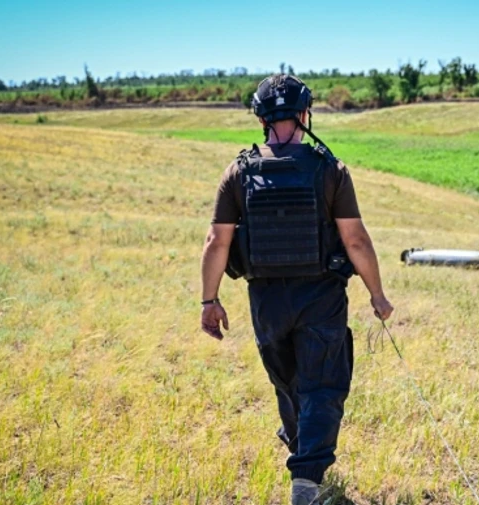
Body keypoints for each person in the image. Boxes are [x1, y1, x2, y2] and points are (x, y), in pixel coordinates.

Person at [199, 74, 393, 505]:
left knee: (288, 383)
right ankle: (306, 479)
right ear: (306, 114)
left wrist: (209, 301)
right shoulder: (330, 170)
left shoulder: (239, 171)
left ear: (261, 117)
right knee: (322, 385)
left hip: (266, 300)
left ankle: (300, 454)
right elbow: (356, 239)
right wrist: (377, 295)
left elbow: (217, 242)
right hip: (321, 295)